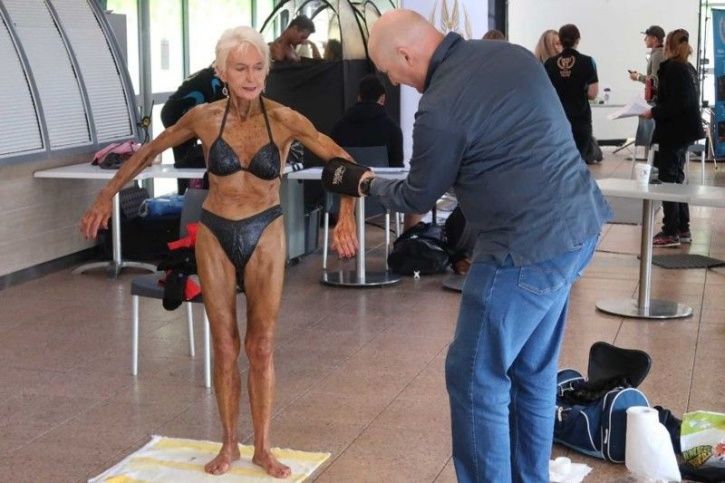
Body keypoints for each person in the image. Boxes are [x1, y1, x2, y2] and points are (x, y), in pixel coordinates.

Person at [323, 9, 612, 482]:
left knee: (474, 377)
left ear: (406, 54)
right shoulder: (512, 56)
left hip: (522, 251)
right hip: (578, 229)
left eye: (390, 70)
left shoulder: (439, 107)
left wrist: (362, 181)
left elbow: (417, 195)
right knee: (532, 371)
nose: (393, 81)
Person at [80, 26, 359, 478]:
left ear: (266, 72)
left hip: (265, 229)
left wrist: (345, 215)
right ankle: (229, 443)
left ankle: (263, 447)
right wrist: (104, 196)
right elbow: (149, 152)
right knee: (225, 344)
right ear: (222, 72)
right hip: (215, 230)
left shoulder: (284, 118)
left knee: (261, 346)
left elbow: (342, 160)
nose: (250, 77)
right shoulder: (204, 118)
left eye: (258, 68)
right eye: (240, 68)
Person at [641, 29, 704, 247]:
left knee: (668, 179)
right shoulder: (688, 68)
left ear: (667, 45)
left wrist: (653, 111)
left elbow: (677, 103)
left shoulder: (673, 68)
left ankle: (670, 231)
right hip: (687, 130)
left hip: (674, 131)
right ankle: (683, 227)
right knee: (678, 178)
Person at [160, 65, 225, 194]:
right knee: (185, 163)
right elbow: (219, 114)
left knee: (189, 161)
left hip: (176, 111)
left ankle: (187, 194)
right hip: (176, 115)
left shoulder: (214, 72)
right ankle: (185, 196)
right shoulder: (216, 79)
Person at [545, 24, 600, 164]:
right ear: (578, 40)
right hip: (580, 117)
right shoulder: (587, 62)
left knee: (560, 160)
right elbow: (593, 93)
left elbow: (546, 92)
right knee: (579, 159)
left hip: (557, 117)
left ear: (560, 40)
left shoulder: (549, 63)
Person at [330, 74, 403, 167]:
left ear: (359, 97)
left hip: (349, 176)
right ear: (382, 98)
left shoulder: (339, 128)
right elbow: (397, 169)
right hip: (380, 177)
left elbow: (332, 164)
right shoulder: (393, 129)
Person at [629, 25, 666, 98]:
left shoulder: (658, 55)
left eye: (647, 36)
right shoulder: (658, 53)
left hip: (658, 99)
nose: (644, 39)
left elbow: (655, 80)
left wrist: (638, 77)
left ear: (655, 39)